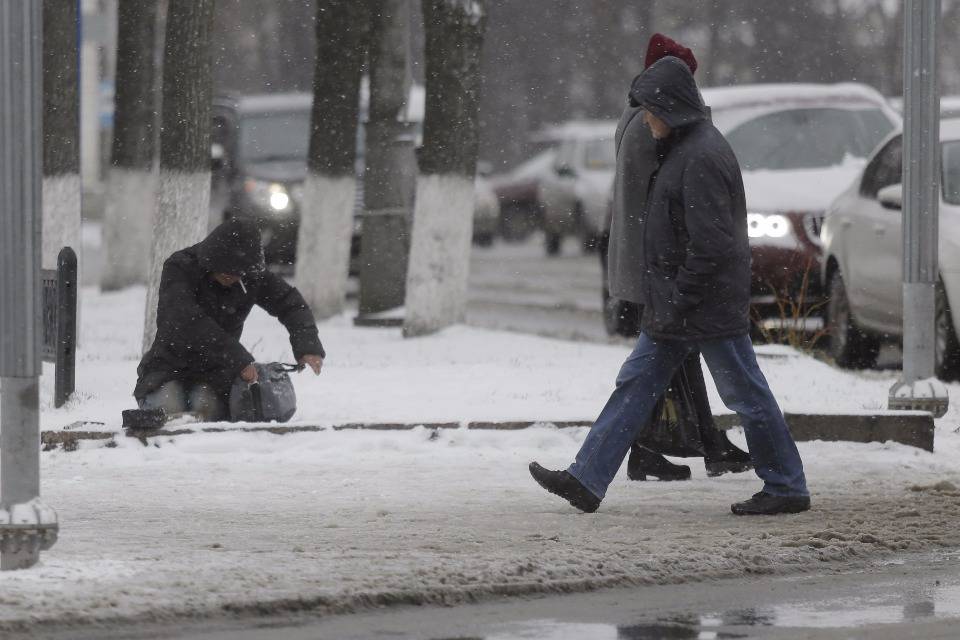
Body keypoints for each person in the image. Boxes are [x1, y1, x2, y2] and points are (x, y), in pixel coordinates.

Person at [529, 54, 810, 516]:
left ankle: (787, 485)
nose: (647, 120)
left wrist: (680, 297)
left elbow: (711, 245)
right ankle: (586, 478)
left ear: (672, 108)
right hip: (680, 304)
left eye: (651, 111)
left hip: (702, 305)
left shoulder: (700, 156)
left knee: (744, 393)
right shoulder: (685, 148)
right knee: (636, 384)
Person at [609, 33, 752, 483]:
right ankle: (694, 445)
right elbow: (675, 189)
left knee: (668, 363)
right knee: (663, 362)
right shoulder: (651, 123)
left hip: (649, 260)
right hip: (656, 264)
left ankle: (682, 446)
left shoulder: (636, 116)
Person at [134, 218, 325, 421]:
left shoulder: (251, 275)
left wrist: (307, 345)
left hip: (215, 374)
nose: (232, 278)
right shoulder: (180, 267)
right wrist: (239, 360)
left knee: (206, 410)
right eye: (225, 272)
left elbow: (290, 303)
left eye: (237, 274)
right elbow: (184, 320)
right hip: (167, 367)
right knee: (168, 410)